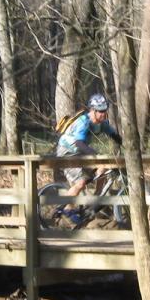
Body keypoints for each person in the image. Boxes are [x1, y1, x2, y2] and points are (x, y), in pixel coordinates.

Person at [55, 93, 123, 225]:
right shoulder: (83, 122)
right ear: (93, 110)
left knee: (103, 168)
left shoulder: (102, 123)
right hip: (67, 153)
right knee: (80, 183)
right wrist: (95, 155)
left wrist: (130, 148)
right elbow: (79, 143)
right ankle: (67, 209)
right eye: (100, 111)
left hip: (79, 153)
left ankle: (96, 199)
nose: (103, 114)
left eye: (105, 111)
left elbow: (115, 136)